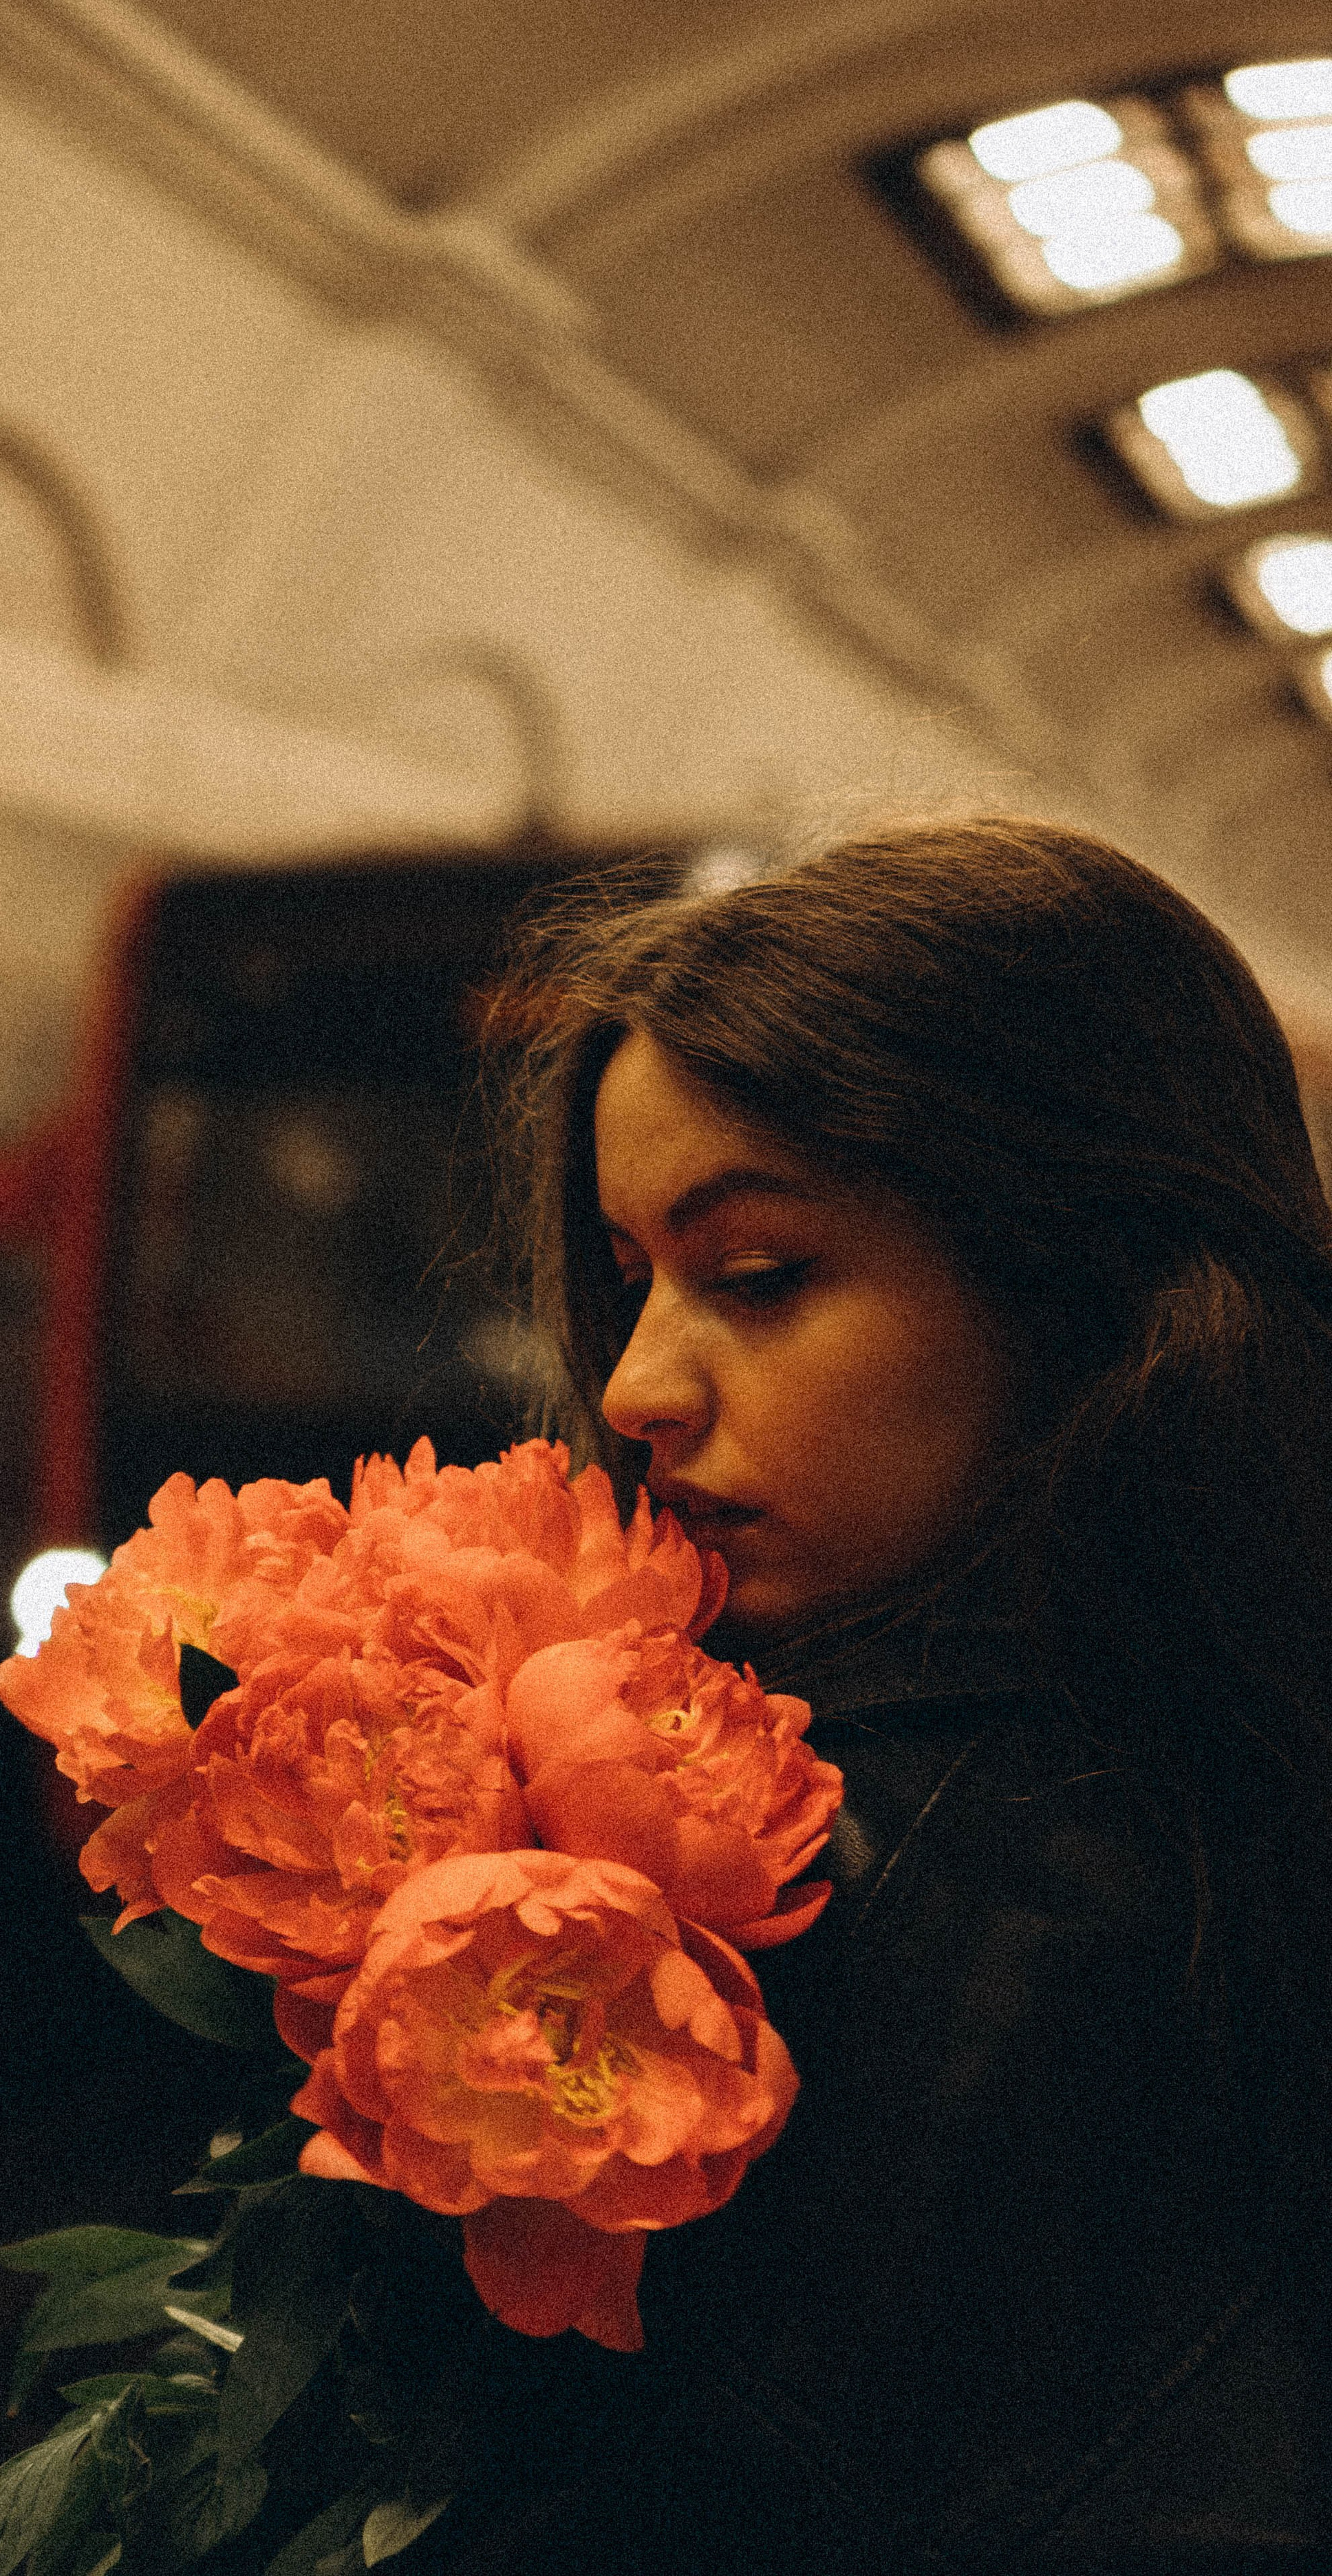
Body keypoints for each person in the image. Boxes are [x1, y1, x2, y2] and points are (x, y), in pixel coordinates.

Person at [444, 815, 1332, 2575]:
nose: (631, 1388)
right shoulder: (1223, 1746)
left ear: (1082, 1284)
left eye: (756, 1278)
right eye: (629, 1282)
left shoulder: (876, 1908)